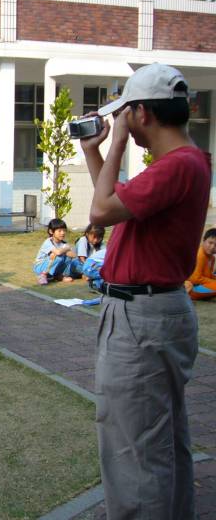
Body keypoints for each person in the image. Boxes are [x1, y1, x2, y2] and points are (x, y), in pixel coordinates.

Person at [81, 63, 209, 518]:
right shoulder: (187, 163)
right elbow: (114, 203)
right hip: (155, 311)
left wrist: (114, 143)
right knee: (161, 440)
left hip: (142, 317)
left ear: (142, 113)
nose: (123, 124)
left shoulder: (175, 167)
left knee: (135, 452)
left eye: (125, 115)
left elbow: (100, 212)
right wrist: (93, 152)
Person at [33, 218, 80, 285]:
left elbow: (73, 255)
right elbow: (58, 252)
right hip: (40, 267)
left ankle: (58, 276)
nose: (62, 233)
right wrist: (66, 249)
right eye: (59, 231)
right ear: (51, 231)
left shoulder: (64, 243)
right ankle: (43, 275)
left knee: (67, 257)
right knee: (56, 255)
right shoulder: (48, 242)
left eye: (64, 230)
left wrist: (66, 251)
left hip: (53, 265)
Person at [186, 228, 216, 301]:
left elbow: (209, 275)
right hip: (191, 287)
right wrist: (213, 282)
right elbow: (195, 278)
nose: (212, 247)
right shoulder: (200, 255)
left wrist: (213, 279)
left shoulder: (212, 258)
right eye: (210, 243)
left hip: (200, 285)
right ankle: (192, 295)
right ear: (204, 241)